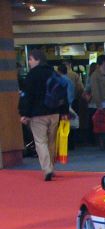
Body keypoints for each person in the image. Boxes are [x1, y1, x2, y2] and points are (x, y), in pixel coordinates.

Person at [18, 48, 64, 180]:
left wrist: (24, 113)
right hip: (54, 112)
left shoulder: (31, 76)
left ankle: (47, 169)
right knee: (51, 141)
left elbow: (26, 96)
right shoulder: (54, 74)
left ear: (37, 60)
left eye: (30, 59)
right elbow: (63, 93)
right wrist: (64, 111)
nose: (29, 62)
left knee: (40, 142)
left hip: (37, 114)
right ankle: (52, 167)